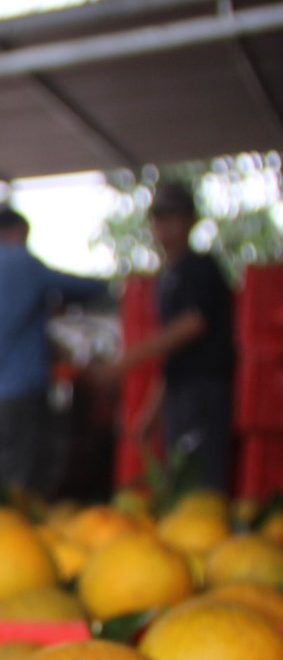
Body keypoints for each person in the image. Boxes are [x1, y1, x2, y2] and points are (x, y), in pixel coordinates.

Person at [0, 205, 109, 498]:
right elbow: (81, 288)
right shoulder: (21, 264)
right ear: (18, 232)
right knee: (23, 496)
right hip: (21, 400)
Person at [97, 182, 237, 491]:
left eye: (173, 216)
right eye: (159, 218)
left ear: (190, 220)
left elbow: (194, 323)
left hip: (204, 391)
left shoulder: (201, 267)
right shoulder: (168, 277)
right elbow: (173, 359)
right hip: (180, 393)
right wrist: (152, 410)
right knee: (180, 482)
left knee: (202, 481)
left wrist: (127, 361)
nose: (164, 225)